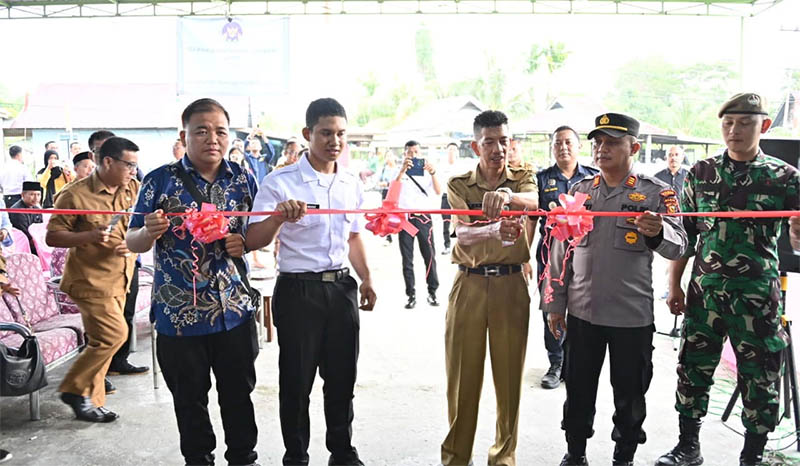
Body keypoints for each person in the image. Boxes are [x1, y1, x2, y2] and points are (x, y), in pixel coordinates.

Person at [657, 93, 800, 466]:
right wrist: (675, 285)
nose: (734, 130)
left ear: (764, 126)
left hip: (757, 298)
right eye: (728, 123)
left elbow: (797, 239)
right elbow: (687, 237)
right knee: (693, 369)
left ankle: (751, 455)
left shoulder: (785, 177)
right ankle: (688, 447)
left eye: (745, 123)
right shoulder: (701, 173)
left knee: (760, 377)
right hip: (705, 294)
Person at [545, 113, 686, 466]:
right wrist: (554, 304)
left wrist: (656, 232)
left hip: (630, 318)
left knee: (630, 396)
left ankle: (624, 457)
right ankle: (575, 453)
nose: (601, 149)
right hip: (582, 313)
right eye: (597, 143)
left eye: (611, 142)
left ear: (634, 147)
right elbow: (561, 252)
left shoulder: (657, 193)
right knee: (577, 392)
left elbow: (680, 245)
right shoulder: (579, 193)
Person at [126, 98, 259, 466]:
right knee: (189, 400)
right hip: (180, 315)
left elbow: (254, 235)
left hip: (234, 310)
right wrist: (148, 233)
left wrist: (243, 242)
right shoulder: (159, 180)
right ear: (184, 135)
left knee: (239, 395)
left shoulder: (243, 179)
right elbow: (130, 239)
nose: (212, 139)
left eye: (220, 131)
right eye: (201, 130)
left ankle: (244, 458)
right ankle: (198, 459)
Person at [246, 97, 377, 466]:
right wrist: (277, 218)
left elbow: (353, 237)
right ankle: (296, 456)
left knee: (341, 380)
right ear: (308, 134)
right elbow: (254, 240)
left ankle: (342, 452)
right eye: (325, 133)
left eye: (340, 134)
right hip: (298, 291)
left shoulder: (350, 183)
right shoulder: (281, 182)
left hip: (341, 290)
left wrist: (366, 278)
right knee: (297, 382)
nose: (334, 141)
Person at [441, 110, 539, 466]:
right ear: (475, 145)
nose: (498, 149)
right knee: (462, 379)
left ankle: (503, 458)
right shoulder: (459, 185)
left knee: (509, 380)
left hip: (511, 285)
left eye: (503, 141)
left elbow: (534, 202)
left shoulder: (523, 176)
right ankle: (455, 458)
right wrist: (494, 230)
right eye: (489, 142)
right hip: (469, 284)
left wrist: (506, 197)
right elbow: (462, 232)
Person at [46, 136, 140, 423]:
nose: (133, 171)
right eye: (129, 165)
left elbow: (135, 223)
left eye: (136, 165)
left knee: (102, 340)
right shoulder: (74, 195)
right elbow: (52, 236)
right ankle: (74, 389)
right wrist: (88, 236)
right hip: (90, 279)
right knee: (114, 335)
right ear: (108, 161)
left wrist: (133, 241)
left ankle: (92, 403)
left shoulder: (132, 187)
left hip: (121, 275)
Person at [534, 125, 598, 390]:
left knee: (582, 308)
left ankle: (574, 362)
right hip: (551, 256)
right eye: (558, 143)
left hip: (586, 255)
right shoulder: (541, 179)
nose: (563, 147)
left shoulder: (594, 179)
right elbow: (530, 219)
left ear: (579, 146)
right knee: (552, 306)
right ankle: (556, 362)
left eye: (568, 142)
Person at [395, 140, 442, 308]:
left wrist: (433, 172)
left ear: (421, 153)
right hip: (406, 219)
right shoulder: (399, 171)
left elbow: (438, 191)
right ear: (405, 154)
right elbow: (393, 190)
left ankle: (432, 291)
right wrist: (402, 171)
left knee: (429, 255)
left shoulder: (428, 170)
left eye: (416, 152)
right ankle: (411, 294)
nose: (413, 155)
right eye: (410, 152)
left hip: (423, 217)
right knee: (407, 258)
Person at [9, 181, 44, 255]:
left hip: (36, 243)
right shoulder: (17, 211)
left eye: (38, 195)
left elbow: (40, 228)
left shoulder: (37, 209)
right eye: (32, 194)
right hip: (22, 246)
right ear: (23, 195)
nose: (36, 198)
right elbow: (25, 235)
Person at [439, 142, 460, 254]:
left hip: (458, 197)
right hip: (445, 196)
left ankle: (460, 245)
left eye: (454, 149)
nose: (452, 151)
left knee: (460, 221)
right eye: (450, 149)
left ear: (457, 152)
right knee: (446, 221)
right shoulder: (442, 166)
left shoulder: (461, 166)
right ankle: (447, 245)